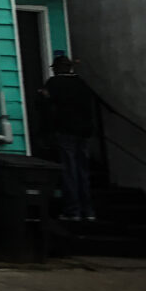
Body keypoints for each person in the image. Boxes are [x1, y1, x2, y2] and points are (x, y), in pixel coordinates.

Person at [39, 54, 96, 222]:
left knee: (69, 170)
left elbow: (45, 105)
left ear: (56, 68)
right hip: (84, 132)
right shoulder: (82, 84)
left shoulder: (54, 83)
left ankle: (73, 210)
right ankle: (89, 210)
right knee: (82, 171)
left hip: (66, 130)